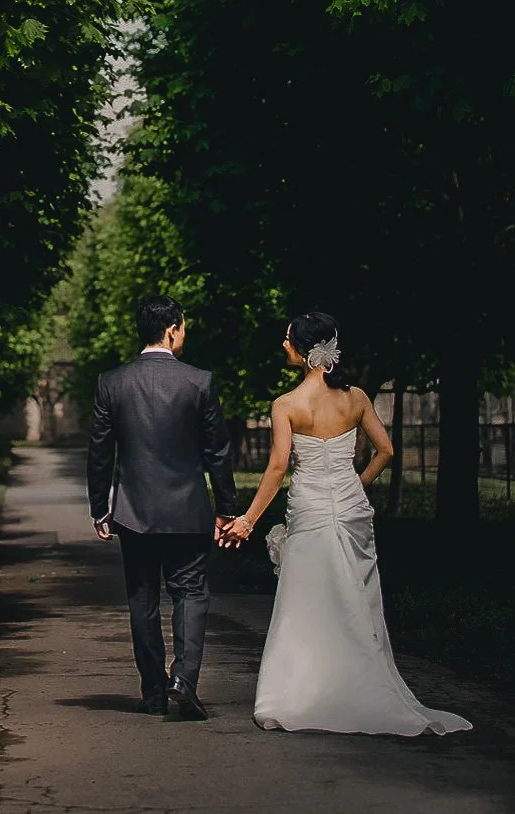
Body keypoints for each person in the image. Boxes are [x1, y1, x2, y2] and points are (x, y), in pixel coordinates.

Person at [218, 312, 472, 736]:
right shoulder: (355, 399)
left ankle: (299, 693)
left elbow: (278, 467)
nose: (283, 345)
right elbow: (386, 450)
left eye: (287, 339)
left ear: (304, 349)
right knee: (355, 595)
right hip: (350, 505)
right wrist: (356, 485)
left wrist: (248, 520)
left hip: (312, 507)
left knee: (307, 595)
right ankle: (359, 684)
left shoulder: (287, 405)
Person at [86, 294, 240, 720]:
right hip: (188, 512)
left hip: (133, 513)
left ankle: (153, 692)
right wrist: (227, 509)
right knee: (191, 594)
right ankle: (184, 681)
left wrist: (100, 508)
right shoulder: (199, 382)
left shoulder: (111, 383)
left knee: (142, 599)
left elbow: (100, 452)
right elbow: (218, 453)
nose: (184, 333)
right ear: (172, 329)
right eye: (184, 327)